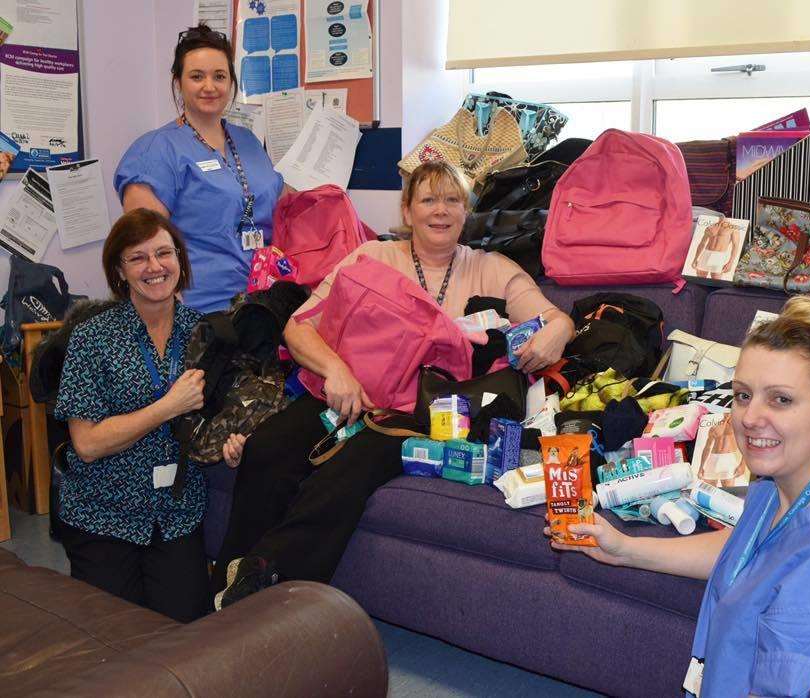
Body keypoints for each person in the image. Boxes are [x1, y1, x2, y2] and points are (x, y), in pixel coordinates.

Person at [212, 160, 576, 609]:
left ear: (466, 212)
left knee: (352, 465)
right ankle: (227, 571)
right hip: (350, 393)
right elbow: (297, 329)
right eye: (428, 199)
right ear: (407, 211)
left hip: (423, 416)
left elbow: (555, 319)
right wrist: (337, 371)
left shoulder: (493, 269)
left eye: (452, 200)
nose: (439, 211)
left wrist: (559, 327)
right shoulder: (370, 258)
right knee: (270, 447)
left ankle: (269, 581)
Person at [552, 297, 810, 697]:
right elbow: (761, 552)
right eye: (743, 394)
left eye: (781, 399)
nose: (750, 418)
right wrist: (627, 549)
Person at [54, 208, 211, 622]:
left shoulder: (206, 333)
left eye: (164, 253)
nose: (155, 266)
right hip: (104, 512)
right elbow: (86, 444)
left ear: (180, 259)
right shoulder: (92, 338)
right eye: (138, 257)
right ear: (120, 272)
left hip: (176, 513)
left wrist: (231, 443)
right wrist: (166, 407)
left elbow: (213, 419)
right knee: (115, 641)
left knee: (187, 637)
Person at [114, 24, 284, 313]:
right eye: (197, 76)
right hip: (200, 312)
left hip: (265, 306)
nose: (210, 86)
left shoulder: (249, 141)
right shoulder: (156, 151)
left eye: (219, 76)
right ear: (178, 82)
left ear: (231, 83)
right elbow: (144, 253)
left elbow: (281, 206)